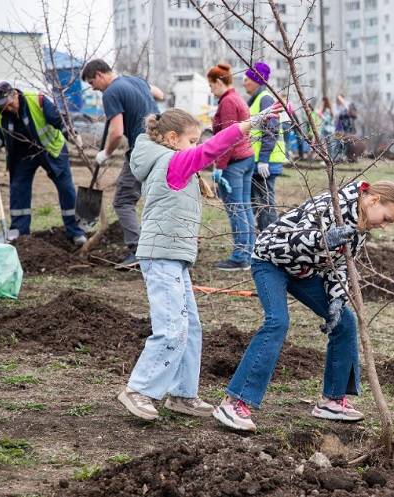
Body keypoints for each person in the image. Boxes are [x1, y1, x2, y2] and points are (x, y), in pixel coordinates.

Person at [116, 105, 279, 421]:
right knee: (172, 327)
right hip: (161, 256)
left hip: (173, 257)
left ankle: (182, 394)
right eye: (192, 140)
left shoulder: (174, 161)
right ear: (174, 139)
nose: (196, 145)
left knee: (190, 328)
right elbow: (212, 148)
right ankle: (140, 390)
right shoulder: (172, 161)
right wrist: (251, 123)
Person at [212, 180, 394, 432]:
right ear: (374, 200)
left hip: (302, 272)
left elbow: (341, 265)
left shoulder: (360, 226)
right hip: (271, 261)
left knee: (345, 321)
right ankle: (234, 402)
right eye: (386, 218)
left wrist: (337, 299)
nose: (384, 225)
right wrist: (324, 238)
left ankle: (332, 400)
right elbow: (293, 239)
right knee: (277, 322)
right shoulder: (330, 205)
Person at [81, 59, 164, 268]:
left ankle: (138, 251)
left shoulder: (111, 93)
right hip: (162, 145)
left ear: (100, 75)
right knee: (155, 197)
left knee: (123, 201)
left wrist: (106, 153)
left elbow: (117, 132)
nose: (93, 88)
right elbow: (160, 94)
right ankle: (159, 246)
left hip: (142, 149)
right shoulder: (135, 81)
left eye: (92, 82)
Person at [0, 81, 86, 245]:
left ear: (15, 94)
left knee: (66, 188)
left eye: (8, 104)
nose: (7, 109)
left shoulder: (37, 100)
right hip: (22, 155)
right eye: (3, 107)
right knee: (18, 189)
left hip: (51, 149)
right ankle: (20, 234)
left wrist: (73, 134)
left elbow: (59, 120)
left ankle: (76, 231)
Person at [207, 62, 256, 271]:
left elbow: (228, 138)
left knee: (236, 209)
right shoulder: (237, 98)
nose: (210, 89)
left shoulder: (227, 102)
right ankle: (250, 252)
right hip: (246, 158)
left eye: (211, 85)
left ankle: (240, 257)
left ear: (219, 82)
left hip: (234, 162)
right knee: (244, 207)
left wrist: (219, 166)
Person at [242, 61, 285, 231]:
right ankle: (264, 239)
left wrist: (264, 160)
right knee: (259, 203)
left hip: (266, 162)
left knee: (265, 203)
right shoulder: (255, 100)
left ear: (257, 80)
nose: (244, 82)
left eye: (247, 79)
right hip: (258, 161)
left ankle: (271, 239)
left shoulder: (265, 99)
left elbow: (271, 129)